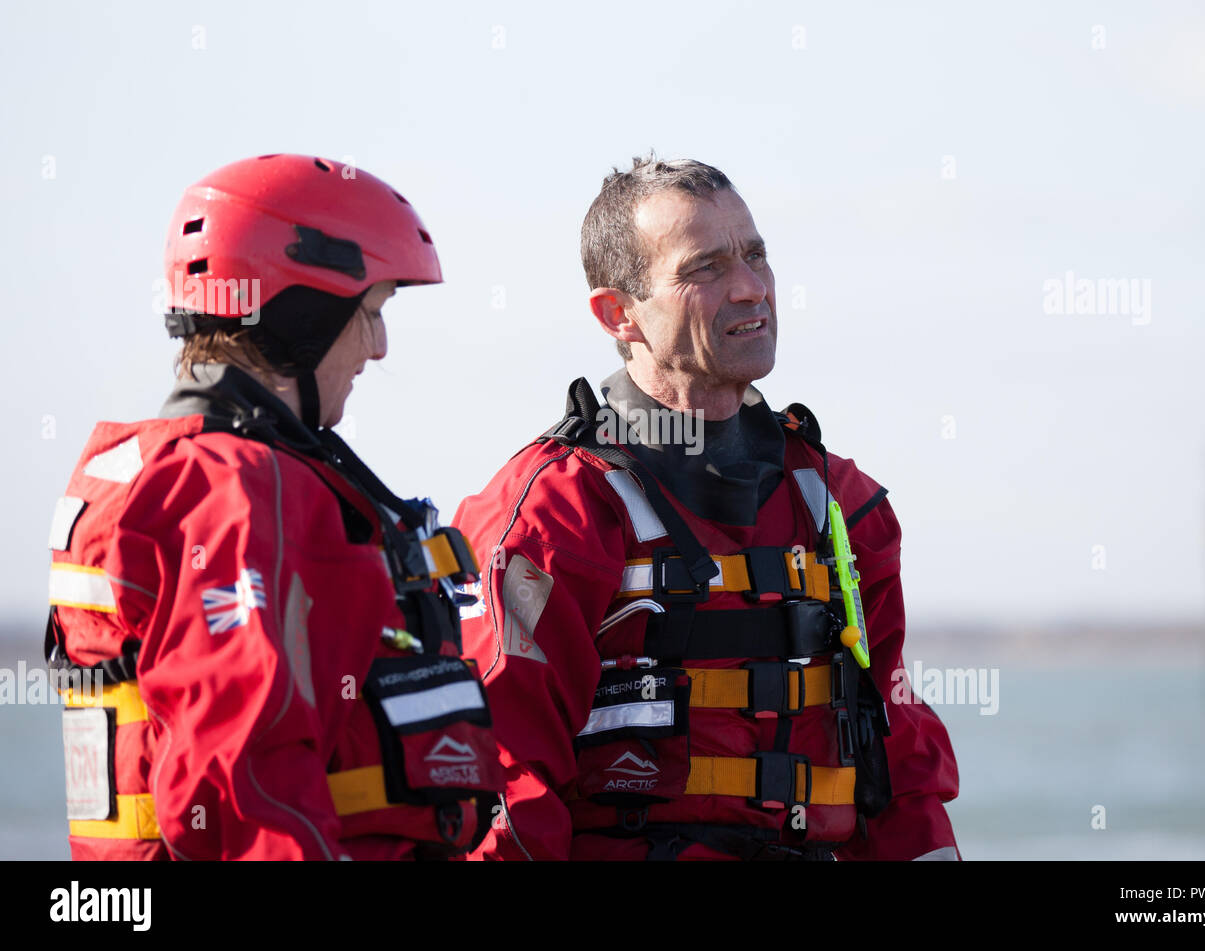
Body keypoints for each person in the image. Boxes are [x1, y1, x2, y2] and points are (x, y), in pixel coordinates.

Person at [453, 155, 960, 860]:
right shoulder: (555, 511)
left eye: (756, 256)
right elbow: (503, 779)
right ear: (617, 314)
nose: (752, 289)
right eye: (706, 269)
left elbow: (900, 757)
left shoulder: (837, 500)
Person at [45, 154, 500, 860]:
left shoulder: (184, 470)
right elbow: (238, 773)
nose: (379, 348)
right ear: (304, 315)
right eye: (370, 313)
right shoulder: (227, 489)